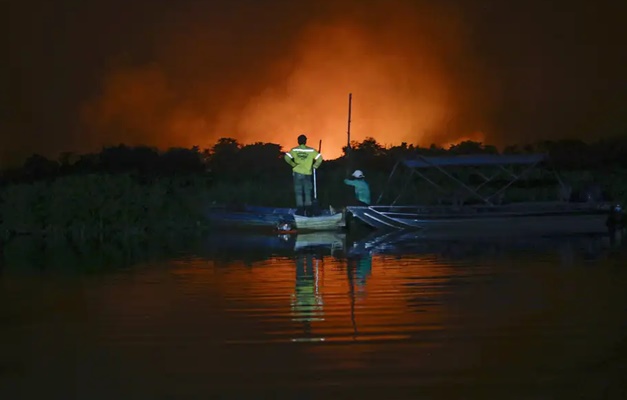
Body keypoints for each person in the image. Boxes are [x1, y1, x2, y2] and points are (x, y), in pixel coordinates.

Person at [284, 134, 323, 216]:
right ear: (306, 141)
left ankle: (300, 211)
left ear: (298, 141)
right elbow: (319, 158)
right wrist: (315, 166)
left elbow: (286, 157)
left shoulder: (294, 150)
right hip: (308, 173)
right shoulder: (311, 150)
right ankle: (308, 211)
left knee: (298, 192)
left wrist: (293, 164)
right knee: (308, 192)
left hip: (297, 173)